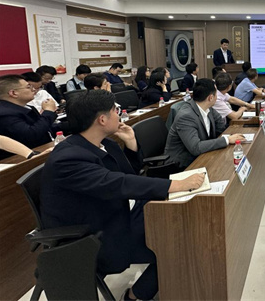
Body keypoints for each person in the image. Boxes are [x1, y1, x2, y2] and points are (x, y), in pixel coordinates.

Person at [40, 90, 203, 301]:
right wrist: (175, 184)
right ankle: (135, 295)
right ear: (102, 119)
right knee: (179, 244)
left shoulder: (102, 143)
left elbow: (128, 175)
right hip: (97, 233)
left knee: (183, 224)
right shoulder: (69, 158)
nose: (120, 114)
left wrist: (131, 143)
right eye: (115, 111)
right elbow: (118, 183)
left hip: (120, 211)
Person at [165, 78, 245, 169]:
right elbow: (195, 148)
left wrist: (233, 135)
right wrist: (227, 140)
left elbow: (221, 127)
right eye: (216, 94)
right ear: (210, 98)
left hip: (202, 155)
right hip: (182, 164)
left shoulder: (207, 107)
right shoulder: (186, 116)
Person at [0, 74, 61, 148]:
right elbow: (31, 135)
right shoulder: (5, 114)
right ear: (13, 93)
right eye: (28, 87)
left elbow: (44, 127)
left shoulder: (27, 107)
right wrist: (48, 111)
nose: (34, 89)